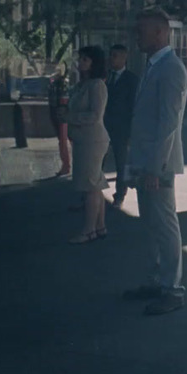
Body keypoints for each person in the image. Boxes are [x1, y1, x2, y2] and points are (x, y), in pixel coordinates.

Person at [121, 9, 187, 316]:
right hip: (144, 160)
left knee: (164, 224)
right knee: (150, 224)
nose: (137, 36)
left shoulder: (171, 69)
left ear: (160, 33)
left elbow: (168, 124)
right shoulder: (153, 66)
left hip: (157, 164)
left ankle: (173, 289)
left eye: (142, 31)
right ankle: (156, 280)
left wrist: (155, 167)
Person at [66, 46, 111, 243]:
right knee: (95, 184)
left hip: (93, 139)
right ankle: (99, 226)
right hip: (83, 138)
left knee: (90, 185)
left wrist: (71, 117)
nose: (81, 62)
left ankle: (88, 229)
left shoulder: (97, 86)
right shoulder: (82, 84)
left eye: (86, 59)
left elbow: (95, 114)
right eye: (81, 58)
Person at [104, 44, 141, 207]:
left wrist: (132, 131)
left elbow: (134, 105)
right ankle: (91, 195)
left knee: (121, 163)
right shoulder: (104, 77)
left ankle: (120, 195)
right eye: (110, 55)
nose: (111, 59)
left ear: (124, 58)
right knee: (98, 161)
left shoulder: (132, 80)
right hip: (104, 126)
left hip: (122, 128)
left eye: (115, 56)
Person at [49, 68, 73, 178]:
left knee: (64, 141)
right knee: (62, 141)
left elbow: (64, 100)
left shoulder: (63, 84)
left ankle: (66, 166)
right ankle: (66, 165)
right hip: (57, 113)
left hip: (62, 114)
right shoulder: (54, 84)